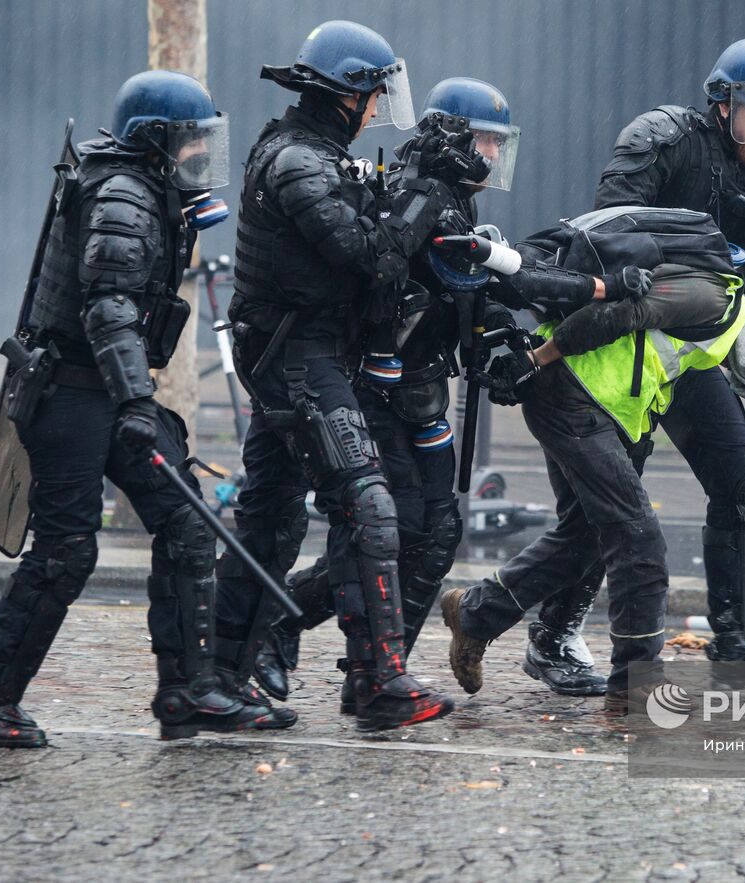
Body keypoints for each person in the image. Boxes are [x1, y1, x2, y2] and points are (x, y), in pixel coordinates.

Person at [0, 71, 281, 746]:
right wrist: (137, 400)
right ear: (155, 140)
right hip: (73, 394)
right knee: (67, 550)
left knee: (185, 521)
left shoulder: (147, 189)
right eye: (190, 141)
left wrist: (131, 398)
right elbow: (109, 307)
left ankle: (189, 690)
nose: (199, 155)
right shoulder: (124, 196)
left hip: (104, 389)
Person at [528, 37, 745, 687]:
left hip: (695, 353)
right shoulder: (665, 138)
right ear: (722, 107)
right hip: (625, 345)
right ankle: (552, 635)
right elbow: (607, 228)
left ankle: (738, 638)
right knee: (611, 511)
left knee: (744, 485)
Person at [214, 20, 476, 732]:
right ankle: (379, 679)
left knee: (270, 518)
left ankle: (219, 677)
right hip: (298, 360)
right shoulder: (298, 160)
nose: (372, 114)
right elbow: (366, 255)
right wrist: (419, 201)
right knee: (368, 504)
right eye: (369, 97)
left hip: (304, 355)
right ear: (344, 94)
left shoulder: (317, 153)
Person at [248, 77, 532, 706]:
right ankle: (326, 646)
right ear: (454, 137)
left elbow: (462, 297)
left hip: (424, 387)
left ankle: (380, 664)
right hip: (377, 389)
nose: (491, 153)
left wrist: (491, 342)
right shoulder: (414, 192)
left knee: (438, 531)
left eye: (497, 142)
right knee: (394, 525)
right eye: (485, 139)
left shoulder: (458, 198)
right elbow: (391, 278)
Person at [440, 205, 745, 711]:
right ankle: (636, 682)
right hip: (570, 396)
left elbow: (651, 359)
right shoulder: (712, 297)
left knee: (588, 535)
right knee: (639, 540)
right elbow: (619, 313)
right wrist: (534, 361)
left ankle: (475, 614)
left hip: (590, 403)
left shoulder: (711, 307)